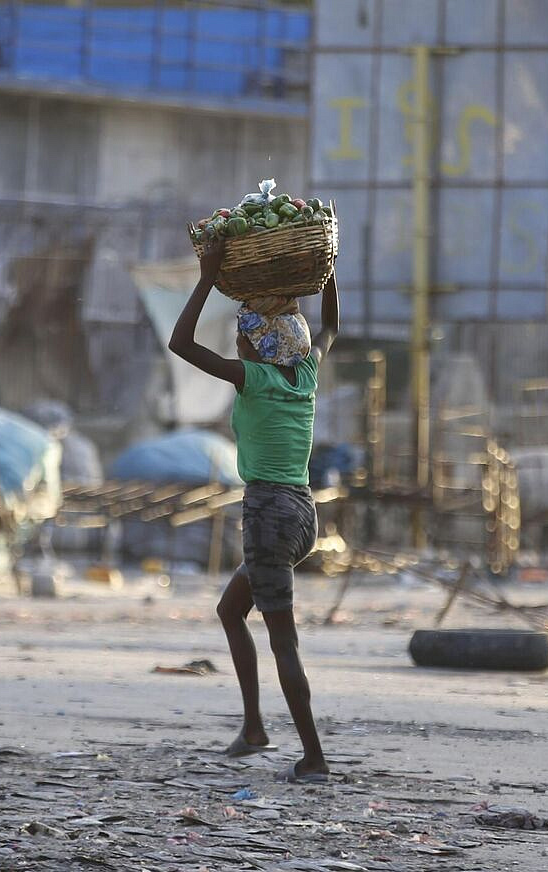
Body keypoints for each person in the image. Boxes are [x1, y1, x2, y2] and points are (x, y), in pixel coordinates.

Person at [168, 236, 337, 783]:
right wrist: (324, 269)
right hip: (302, 514)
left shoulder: (256, 379)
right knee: (230, 611)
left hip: (268, 514)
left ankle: (313, 757)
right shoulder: (304, 374)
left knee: (283, 639)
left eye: (242, 338)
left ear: (260, 349)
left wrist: (208, 278)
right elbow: (330, 325)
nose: (236, 345)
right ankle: (254, 728)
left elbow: (181, 343)